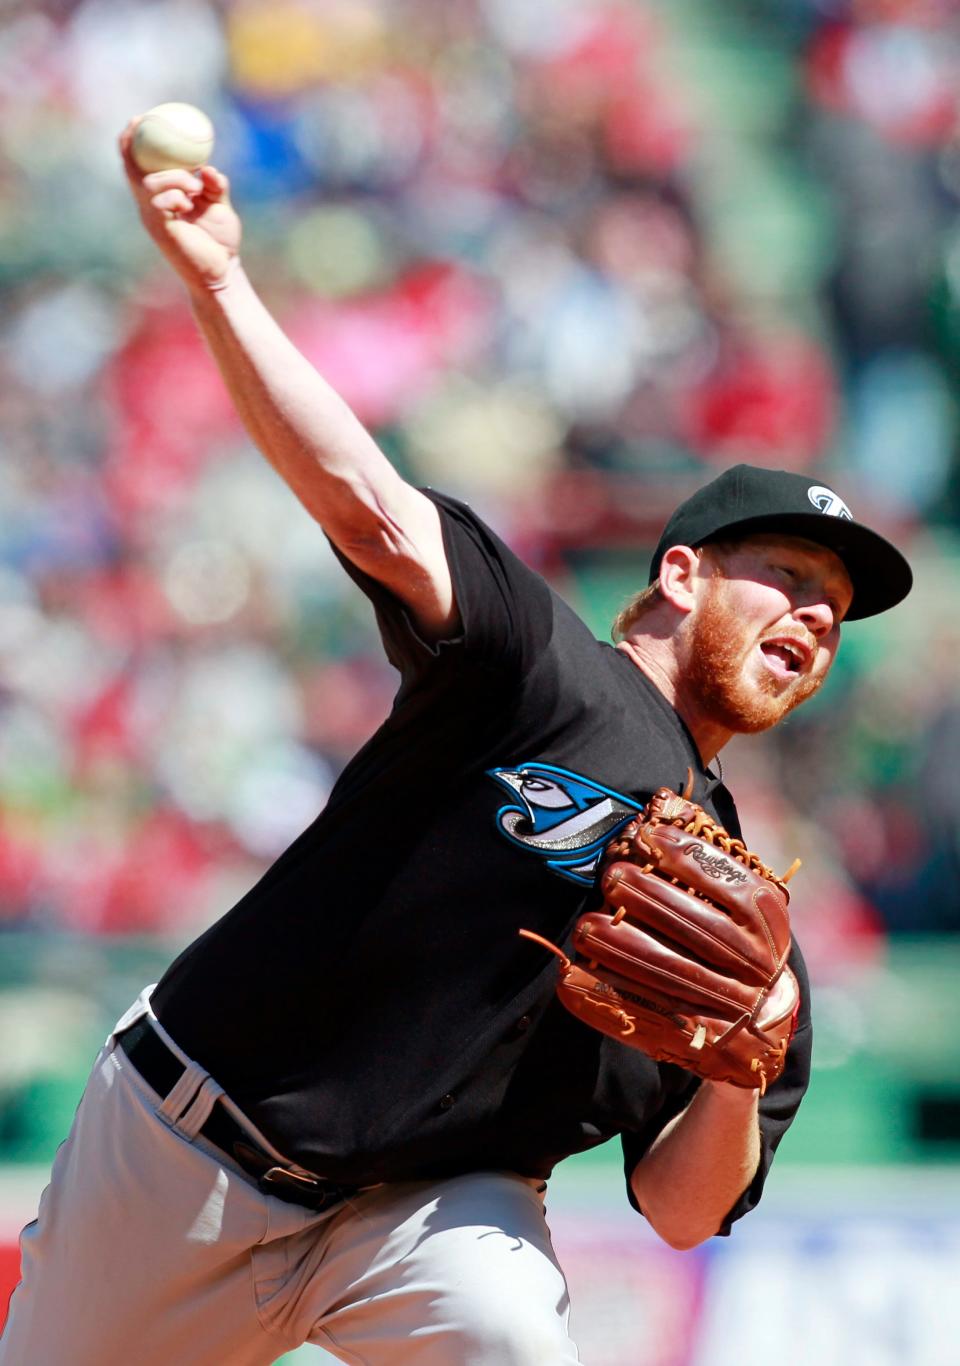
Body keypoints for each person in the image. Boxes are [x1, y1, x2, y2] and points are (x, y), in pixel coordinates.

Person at [0, 124, 912, 1366]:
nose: (816, 618)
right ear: (682, 573)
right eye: (791, 578)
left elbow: (683, 1209)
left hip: (430, 1217)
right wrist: (219, 280)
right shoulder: (538, 664)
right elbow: (374, 513)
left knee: (511, 1337)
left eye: (834, 616)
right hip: (189, 1153)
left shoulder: (749, 916)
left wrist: (746, 1060)